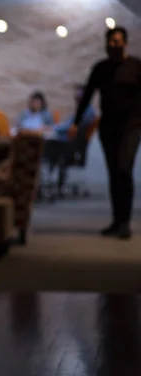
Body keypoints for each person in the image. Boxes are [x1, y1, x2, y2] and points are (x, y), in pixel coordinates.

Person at [68, 26, 141, 239]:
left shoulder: (136, 67)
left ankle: (125, 222)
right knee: (114, 174)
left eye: (117, 42)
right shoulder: (100, 68)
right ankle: (116, 221)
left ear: (125, 43)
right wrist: (75, 122)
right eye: (110, 42)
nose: (113, 45)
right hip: (108, 128)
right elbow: (87, 95)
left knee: (124, 169)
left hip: (132, 127)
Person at [44, 85, 97, 194]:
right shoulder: (84, 110)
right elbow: (69, 124)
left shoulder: (86, 112)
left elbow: (70, 126)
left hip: (71, 147)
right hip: (71, 144)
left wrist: (52, 128)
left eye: (78, 95)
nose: (76, 98)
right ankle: (49, 181)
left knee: (47, 147)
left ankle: (45, 182)